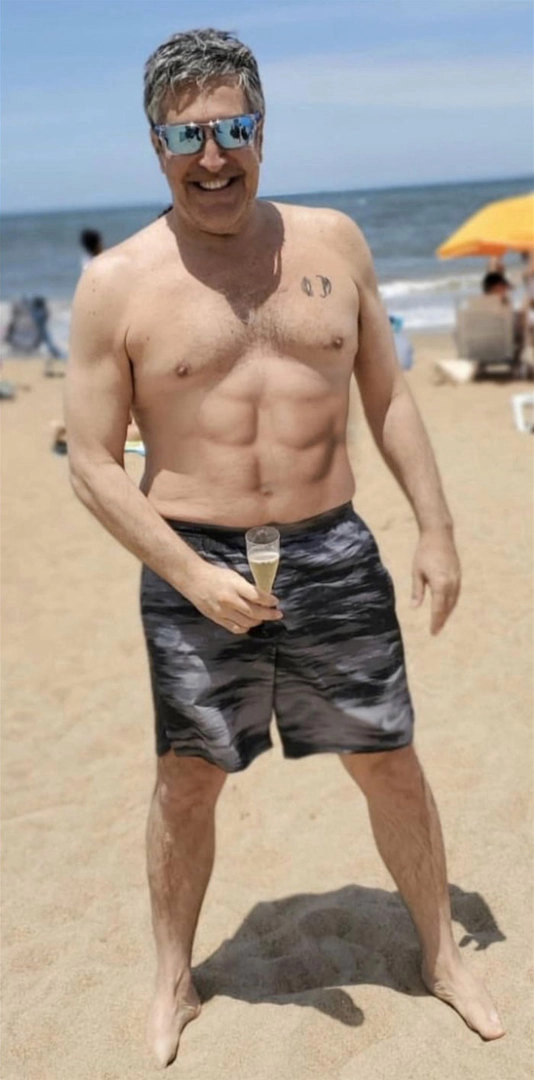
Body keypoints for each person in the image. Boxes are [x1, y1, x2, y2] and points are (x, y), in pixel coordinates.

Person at [65, 27, 504, 1068]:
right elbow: (91, 462)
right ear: (157, 145)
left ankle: (441, 954)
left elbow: (387, 396)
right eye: (188, 136)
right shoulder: (117, 283)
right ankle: (175, 977)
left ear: (264, 129)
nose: (214, 156)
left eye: (234, 129)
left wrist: (437, 527)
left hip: (332, 550)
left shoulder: (334, 243)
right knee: (187, 780)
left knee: (389, 761)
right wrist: (188, 573)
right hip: (192, 561)